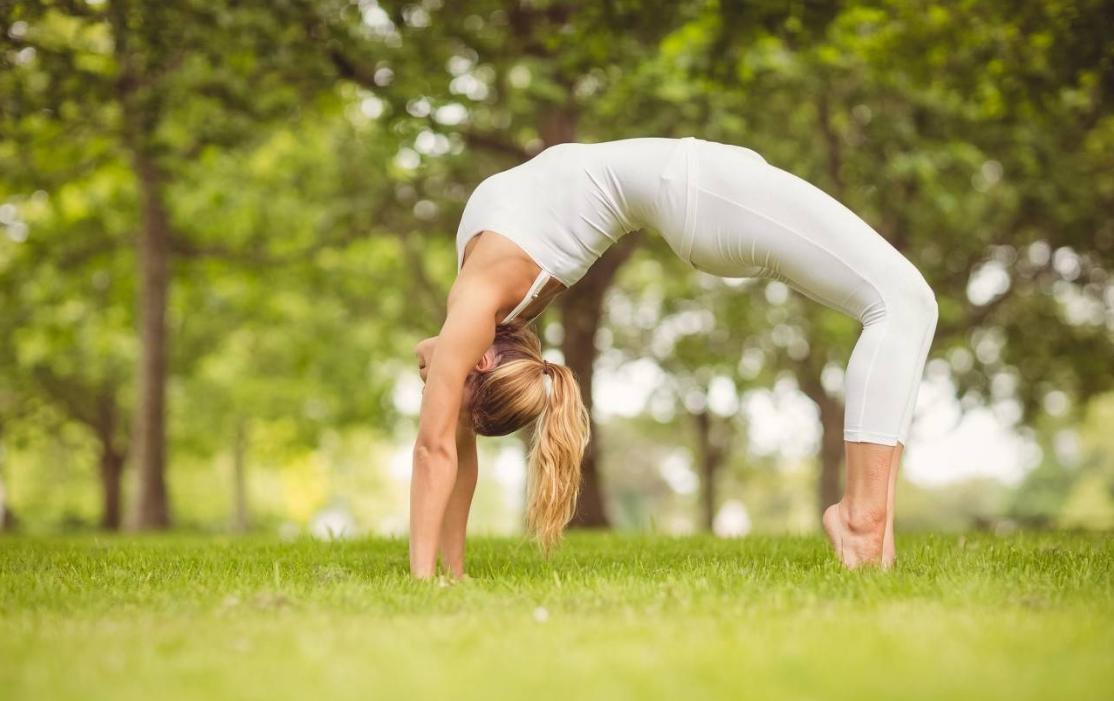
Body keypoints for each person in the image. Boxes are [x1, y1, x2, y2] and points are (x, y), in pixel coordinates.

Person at [410, 136, 938, 579]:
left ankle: (874, 536)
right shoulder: (480, 302)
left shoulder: (476, 301)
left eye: (440, 389)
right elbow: (444, 449)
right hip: (701, 191)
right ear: (482, 362)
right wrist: (434, 577)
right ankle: (863, 525)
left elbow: (440, 448)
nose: (431, 387)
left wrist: (438, 576)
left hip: (702, 190)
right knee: (901, 302)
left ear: (478, 362)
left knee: (903, 303)